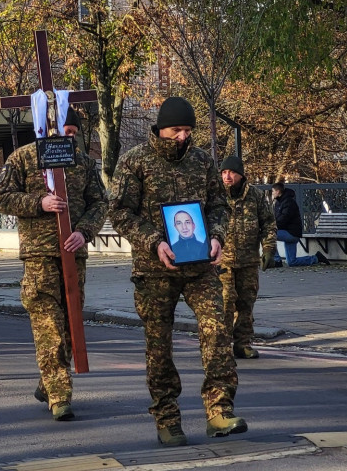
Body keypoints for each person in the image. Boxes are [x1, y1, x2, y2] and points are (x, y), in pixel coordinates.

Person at [108, 96, 245, 445]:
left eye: (187, 130)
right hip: (155, 270)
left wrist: (215, 237)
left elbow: (219, 206)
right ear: (160, 128)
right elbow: (121, 212)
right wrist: (154, 241)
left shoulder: (202, 161)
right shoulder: (135, 161)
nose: (182, 137)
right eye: (175, 130)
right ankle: (167, 418)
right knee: (160, 346)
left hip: (201, 267)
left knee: (217, 331)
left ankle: (219, 411)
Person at [0, 108, 106, 421]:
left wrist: (84, 231)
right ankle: (60, 397)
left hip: (74, 256)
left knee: (71, 325)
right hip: (39, 255)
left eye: (72, 132)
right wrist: (38, 203)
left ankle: (49, 381)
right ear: (45, 128)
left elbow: (99, 202)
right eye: (61, 131)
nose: (66, 137)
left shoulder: (83, 163)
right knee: (49, 327)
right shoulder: (23, 158)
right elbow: (1, 198)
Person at [219, 156, 276, 360]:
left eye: (231, 172)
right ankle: (222, 346)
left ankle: (242, 344)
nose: (227, 176)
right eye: (224, 172)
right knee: (225, 302)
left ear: (241, 175)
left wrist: (268, 248)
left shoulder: (256, 196)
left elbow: (268, 223)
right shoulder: (215, 195)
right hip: (222, 260)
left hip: (248, 259)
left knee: (246, 303)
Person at [272, 182, 327, 267]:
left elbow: (283, 220)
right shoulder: (279, 203)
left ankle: (277, 260)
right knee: (292, 262)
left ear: (278, 191)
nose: (272, 193)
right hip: (288, 232)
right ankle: (316, 258)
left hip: (292, 234)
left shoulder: (289, 202)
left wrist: (271, 226)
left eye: (273, 191)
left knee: (268, 234)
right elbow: (277, 218)